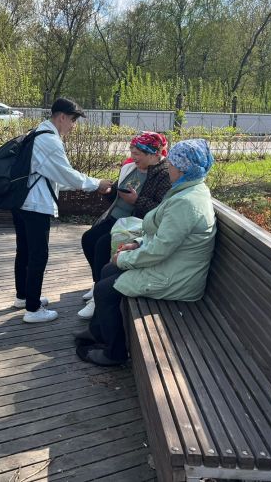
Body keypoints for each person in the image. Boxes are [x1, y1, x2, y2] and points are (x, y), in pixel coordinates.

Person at [74, 139, 217, 366]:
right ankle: (99, 331)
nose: (168, 166)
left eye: (171, 163)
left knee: (104, 289)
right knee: (108, 268)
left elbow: (160, 249)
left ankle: (115, 353)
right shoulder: (187, 190)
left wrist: (125, 258)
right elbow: (163, 236)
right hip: (173, 264)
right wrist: (137, 243)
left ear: (181, 169)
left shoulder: (186, 202)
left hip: (177, 277)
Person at [12, 98, 112, 324]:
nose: (74, 126)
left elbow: (56, 176)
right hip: (35, 204)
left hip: (21, 201)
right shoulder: (50, 141)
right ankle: (33, 309)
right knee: (38, 254)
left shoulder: (36, 132)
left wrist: (86, 184)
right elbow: (66, 174)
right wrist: (96, 184)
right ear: (62, 117)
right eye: (74, 121)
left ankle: (24, 296)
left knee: (25, 251)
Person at [78, 132, 171, 320]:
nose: (133, 156)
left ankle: (98, 296)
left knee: (103, 245)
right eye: (132, 151)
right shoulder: (130, 167)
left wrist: (137, 200)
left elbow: (160, 210)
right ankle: (97, 283)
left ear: (153, 154)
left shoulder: (164, 174)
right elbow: (116, 193)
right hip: (115, 218)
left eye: (137, 153)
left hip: (136, 223)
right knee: (88, 239)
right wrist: (109, 191)